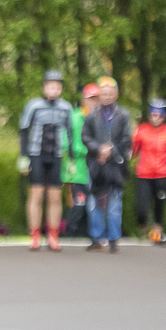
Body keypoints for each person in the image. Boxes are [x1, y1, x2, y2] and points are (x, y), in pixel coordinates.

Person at [19, 70, 74, 251]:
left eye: (57, 87)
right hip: (37, 154)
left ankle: (53, 234)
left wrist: (71, 157)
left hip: (56, 155)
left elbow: (71, 132)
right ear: (44, 88)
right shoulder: (33, 105)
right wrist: (24, 156)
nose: (54, 90)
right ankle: (34, 234)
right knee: (36, 194)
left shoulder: (66, 107)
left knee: (55, 197)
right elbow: (24, 130)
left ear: (61, 89)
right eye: (51, 86)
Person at [82, 76, 132, 253]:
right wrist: (99, 149)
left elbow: (127, 139)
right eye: (103, 94)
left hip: (115, 165)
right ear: (99, 94)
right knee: (95, 202)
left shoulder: (124, 115)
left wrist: (111, 149)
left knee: (114, 202)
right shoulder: (91, 116)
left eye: (110, 93)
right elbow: (85, 137)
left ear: (116, 94)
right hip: (96, 164)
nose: (107, 97)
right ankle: (96, 238)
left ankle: (113, 239)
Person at [131, 98, 166, 246]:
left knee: (159, 204)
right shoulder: (142, 129)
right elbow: (132, 152)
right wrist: (132, 139)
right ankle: (142, 226)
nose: (156, 118)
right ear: (149, 115)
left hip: (162, 174)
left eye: (159, 115)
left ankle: (157, 234)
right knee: (141, 208)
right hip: (144, 174)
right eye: (153, 115)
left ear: (164, 116)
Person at [62, 84, 100, 239]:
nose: (94, 102)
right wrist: (90, 150)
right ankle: (71, 234)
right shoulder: (74, 116)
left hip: (96, 168)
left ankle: (91, 235)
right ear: (84, 99)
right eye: (91, 98)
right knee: (78, 203)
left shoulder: (102, 118)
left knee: (94, 203)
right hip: (76, 169)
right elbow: (68, 141)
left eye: (96, 98)